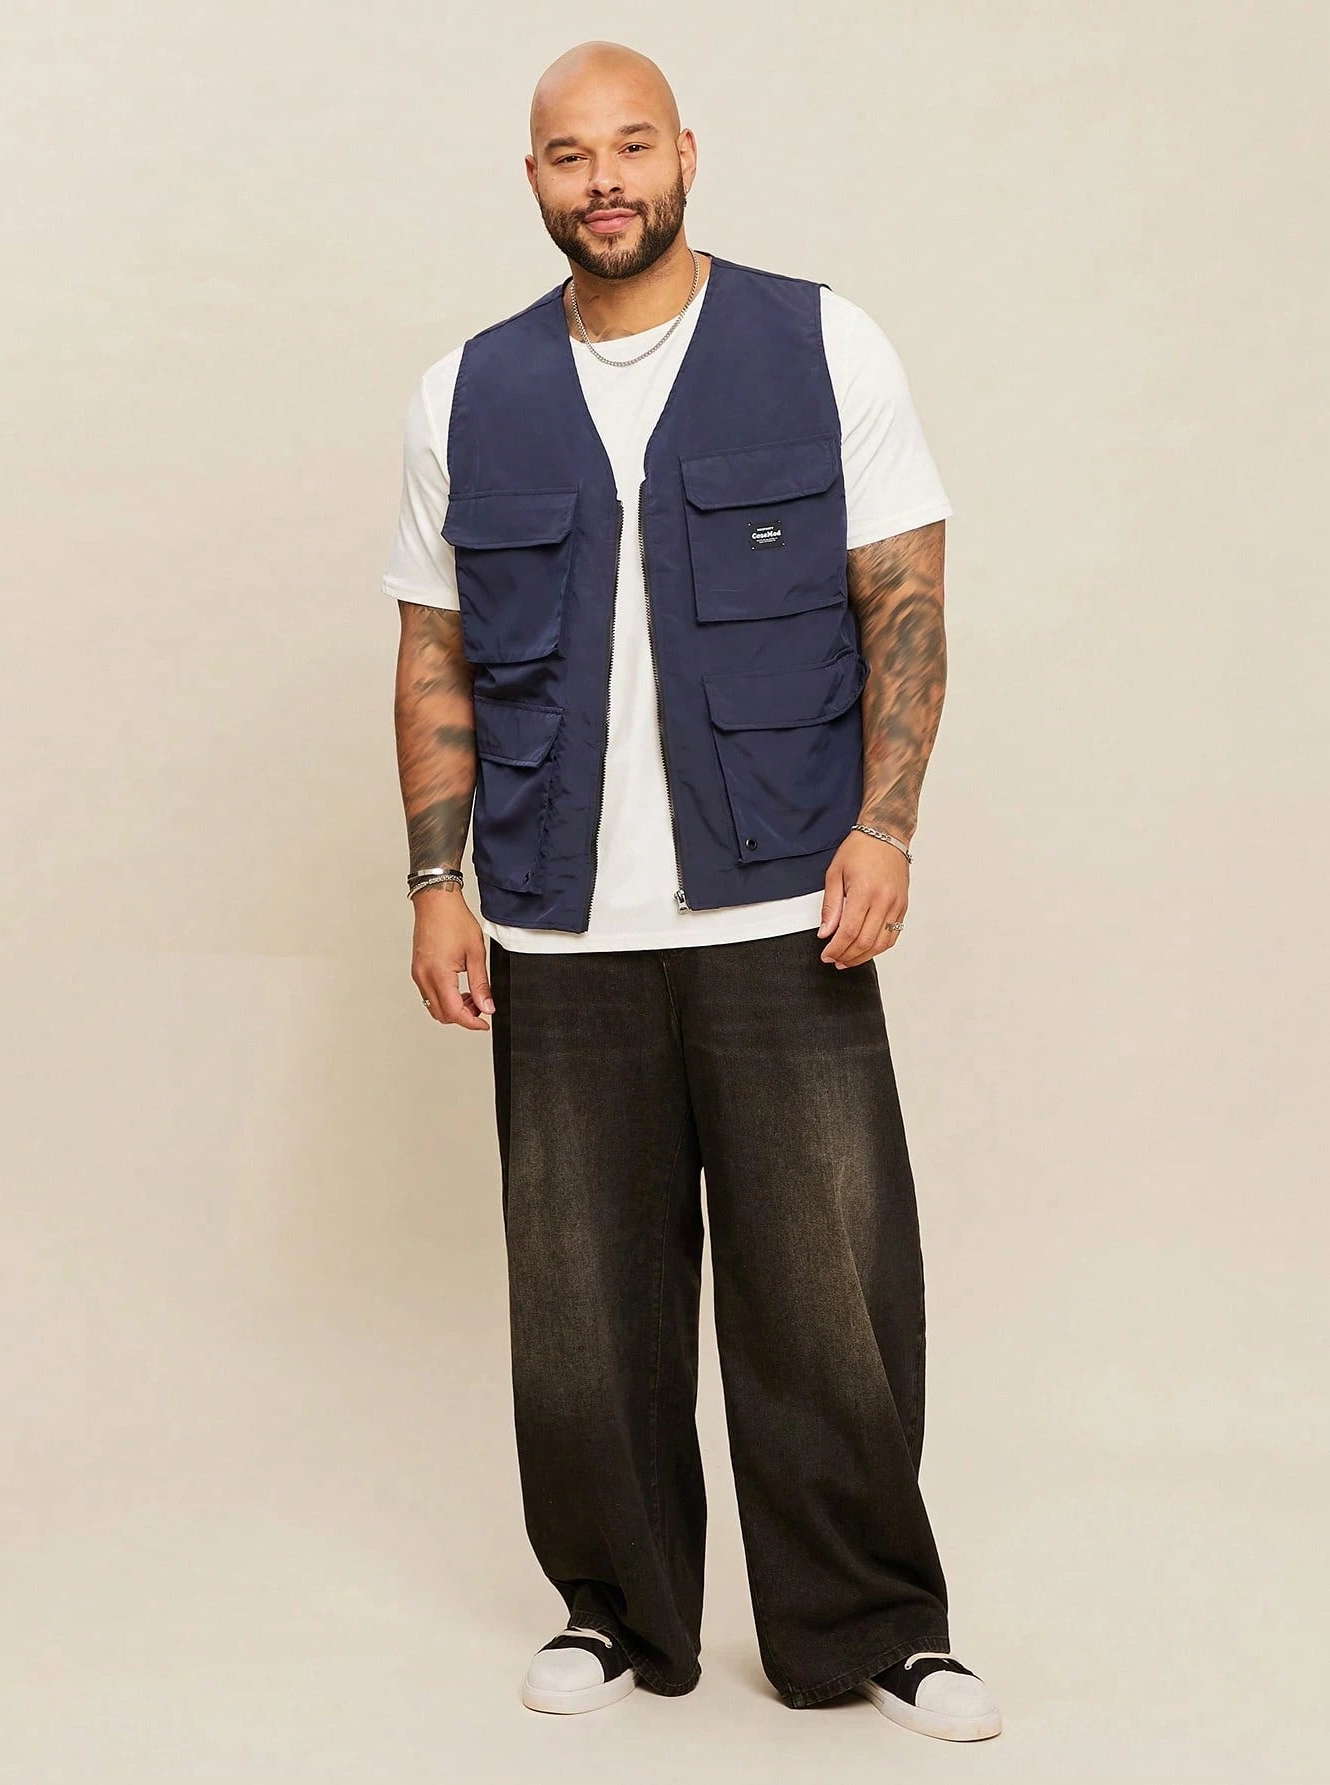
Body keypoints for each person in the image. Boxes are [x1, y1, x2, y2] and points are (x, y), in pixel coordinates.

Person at [382, 39, 1001, 1741]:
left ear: (686, 155)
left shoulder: (821, 341)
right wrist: (436, 876)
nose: (605, 180)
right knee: (586, 1307)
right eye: (570, 154)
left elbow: (907, 597)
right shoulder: (465, 393)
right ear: (534, 180)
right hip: (555, 917)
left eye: (632, 145)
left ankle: (870, 1626)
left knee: (830, 1296)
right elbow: (433, 648)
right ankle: (615, 1608)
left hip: (780, 904)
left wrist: (887, 826)